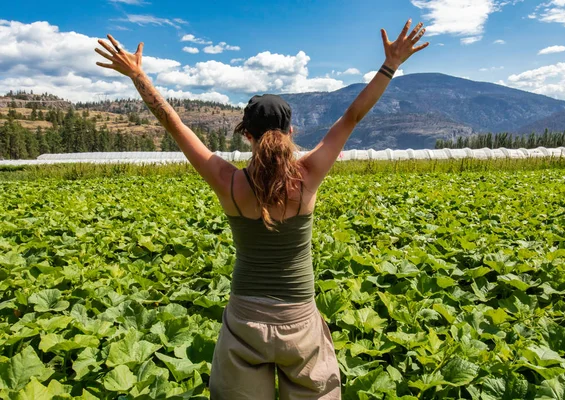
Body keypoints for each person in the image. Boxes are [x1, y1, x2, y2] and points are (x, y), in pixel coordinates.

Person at [95, 17, 428, 400]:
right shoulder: (308, 176)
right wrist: (390, 66)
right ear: (290, 133)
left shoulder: (229, 182)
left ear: (247, 135)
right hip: (299, 321)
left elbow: (174, 125)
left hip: (244, 322)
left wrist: (139, 76)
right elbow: (352, 116)